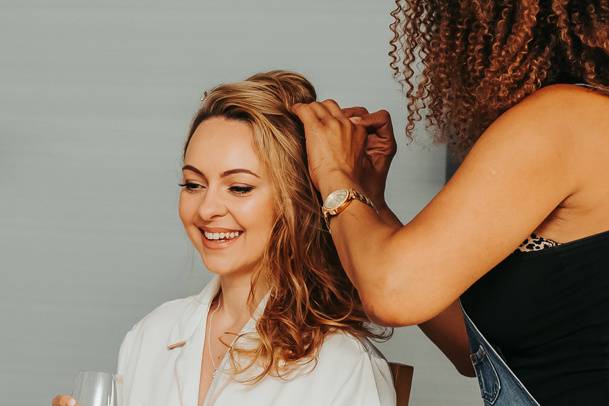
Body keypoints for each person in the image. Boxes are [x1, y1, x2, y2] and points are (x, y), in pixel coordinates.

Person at [292, 1, 609, 405]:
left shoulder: (565, 120)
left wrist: (332, 170)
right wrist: (368, 200)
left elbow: (393, 292)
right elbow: (473, 348)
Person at [52, 71, 395, 406]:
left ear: (297, 201)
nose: (206, 209)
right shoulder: (151, 334)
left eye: (239, 187)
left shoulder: (342, 364)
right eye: (193, 184)